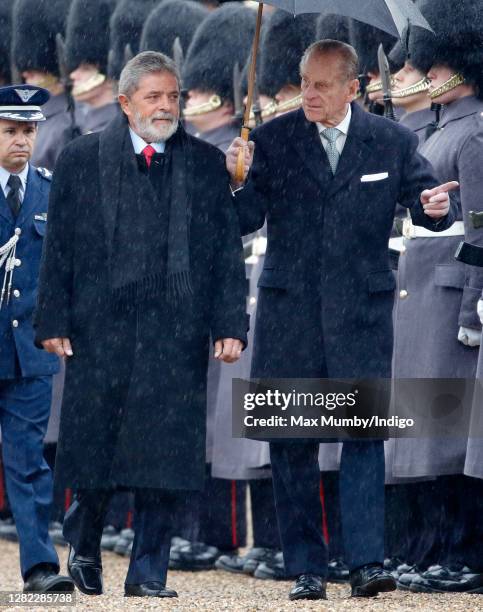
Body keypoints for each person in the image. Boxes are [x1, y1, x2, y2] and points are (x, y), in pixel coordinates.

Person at [226, 39, 457, 601]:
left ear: (353, 89)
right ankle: (305, 565)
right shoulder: (272, 140)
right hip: (289, 312)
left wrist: (435, 208)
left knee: (363, 440)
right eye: (305, 82)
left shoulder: (392, 140)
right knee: (292, 443)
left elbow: (424, 203)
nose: (309, 93)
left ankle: (366, 563)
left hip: (361, 312)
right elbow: (241, 221)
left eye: (322, 84)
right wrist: (236, 178)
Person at [35, 51, 247, 599]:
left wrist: (230, 323)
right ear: (126, 103)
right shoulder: (81, 159)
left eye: (173, 96)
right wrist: (51, 319)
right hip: (98, 329)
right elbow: (57, 249)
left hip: (175, 330)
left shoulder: (205, 162)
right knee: (95, 451)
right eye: (154, 96)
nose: (167, 106)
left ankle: (148, 572)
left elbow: (225, 251)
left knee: (165, 458)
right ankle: (84, 543)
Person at [390, 0, 483, 594]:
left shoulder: (473, 134)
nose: (427, 71)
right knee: (424, 432)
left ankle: (464, 553)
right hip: (418, 291)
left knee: (451, 438)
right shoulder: (443, 128)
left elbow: (479, 227)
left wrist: (475, 301)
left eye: (437, 61)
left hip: (450, 295)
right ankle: (430, 549)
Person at [0, 84, 73, 594]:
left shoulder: (53, 191)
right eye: (10, 131)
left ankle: (40, 566)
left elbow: (70, 267)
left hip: (31, 351)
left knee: (29, 464)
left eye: (28, 131)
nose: (21, 141)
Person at [64, 0, 119, 134]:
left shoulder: (113, 131)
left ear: (109, 77)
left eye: (86, 69)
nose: (73, 75)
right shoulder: (84, 125)